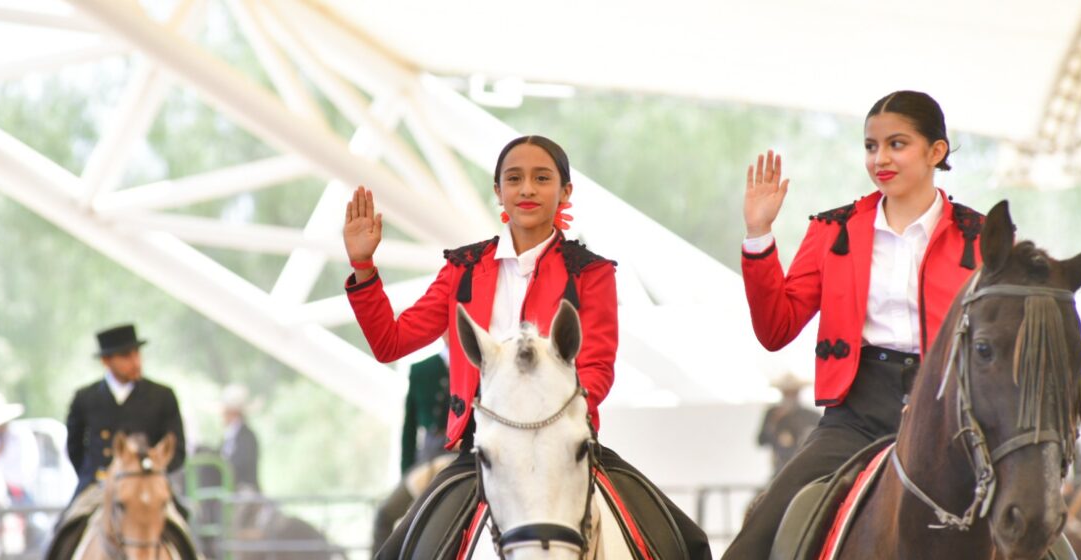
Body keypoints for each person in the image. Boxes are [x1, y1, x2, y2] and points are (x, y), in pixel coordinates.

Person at [345, 135, 711, 559]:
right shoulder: (462, 269)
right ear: (498, 190)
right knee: (394, 552)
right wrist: (362, 267)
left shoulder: (590, 273)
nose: (527, 189)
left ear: (565, 191)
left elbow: (597, 367)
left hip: (566, 443)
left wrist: (557, 421)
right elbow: (391, 342)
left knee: (690, 542)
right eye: (514, 179)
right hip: (483, 450)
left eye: (542, 178)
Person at [724, 91, 984, 559]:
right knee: (755, 538)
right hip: (856, 416)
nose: (880, 158)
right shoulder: (832, 231)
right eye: (871, 146)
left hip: (954, 422)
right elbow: (775, 329)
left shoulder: (982, 237)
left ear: (936, 151)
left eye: (896, 144)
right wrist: (759, 235)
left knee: (1042, 535)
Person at [65, 324, 186, 498]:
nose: (135, 362)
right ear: (106, 361)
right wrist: (93, 474)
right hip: (98, 484)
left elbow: (176, 449)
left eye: (137, 353)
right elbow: (74, 448)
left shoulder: (162, 396)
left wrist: (151, 472)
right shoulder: (85, 397)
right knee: (68, 523)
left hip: (150, 485)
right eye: (125, 356)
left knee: (179, 521)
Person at [371, 342, 453, 552]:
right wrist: (406, 471)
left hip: (460, 454)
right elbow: (410, 428)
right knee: (385, 514)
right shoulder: (421, 369)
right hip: (426, 458)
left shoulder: (476, 363)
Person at [755, 372, 819, 478]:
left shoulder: (810, 416)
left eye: (793, 393)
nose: (790, 397)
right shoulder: (773, 414)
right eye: (787, 393)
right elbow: (761, 440)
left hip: (806, 469)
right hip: (780, 470)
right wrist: (773, 423)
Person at [220, 383, 260, 492]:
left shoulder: (247, 437)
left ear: (233, 413)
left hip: (244, 489)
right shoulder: (228, 437)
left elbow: (241, 464)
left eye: (225, 412)